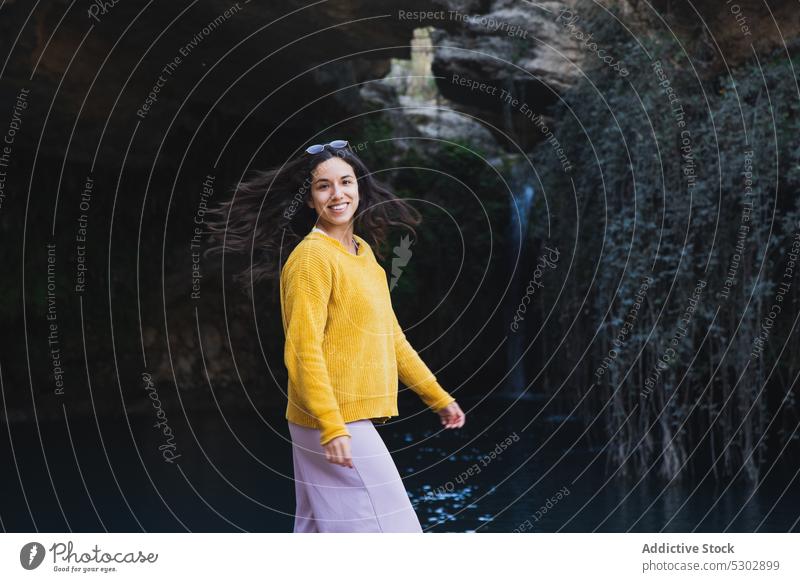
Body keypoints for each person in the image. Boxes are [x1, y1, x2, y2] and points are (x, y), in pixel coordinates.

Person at [205, 139, 465, 532]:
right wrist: (331, 425)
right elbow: (301, 350)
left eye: (346, 181)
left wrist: (438, 398)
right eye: (323, 186)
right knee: (396, 532)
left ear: (359, 186)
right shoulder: (312, 258)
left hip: (330, 420)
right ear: (309, 200)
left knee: (314, 533)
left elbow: (393, 340)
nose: (337, 194)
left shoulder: (364, 256)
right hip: (334, 419)